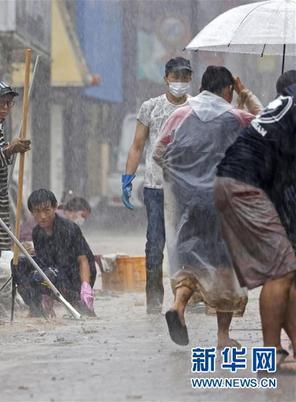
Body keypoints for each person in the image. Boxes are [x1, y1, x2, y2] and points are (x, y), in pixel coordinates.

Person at [153, 65, 261, 348]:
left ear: (201, 87)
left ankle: (177, 306)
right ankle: (223, 337)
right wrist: (245, 94)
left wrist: (187, 179)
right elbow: (265, 125)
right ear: (227, 89)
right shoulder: (236, 117)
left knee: (191, 262)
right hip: (225, 205)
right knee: (224, 268)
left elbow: (158, 153)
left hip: (193, 205)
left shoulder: (180, 114)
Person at [214, 70, 296, 371]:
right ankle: (271, 354)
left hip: (234, 184)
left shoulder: (283, 106)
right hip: (244, 186)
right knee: (282, 272)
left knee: (285, 271)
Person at [122, 57, 193, 314]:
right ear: (165, 78)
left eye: (185, 77)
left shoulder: (196, 108)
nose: (180, 82)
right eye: (175, 77)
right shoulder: (150, 107)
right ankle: (153, 303)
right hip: (155, 186)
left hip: (186, 187)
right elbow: (138, 145)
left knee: (186, 244)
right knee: (155, 244)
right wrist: (128, 178)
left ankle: (185, 301)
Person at [0, 81, 31, 318]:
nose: (5, 108)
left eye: (9, 104)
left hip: (1, 196)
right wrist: (12, 148)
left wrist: (13, 148)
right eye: (0, 103)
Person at [13, 189, 96, 317]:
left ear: (55, 207)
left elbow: (83, 260)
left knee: (49, 274)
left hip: (74, 277)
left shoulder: (69, 228)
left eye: (46, 210)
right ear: (32, 212)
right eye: (37, 211)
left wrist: (85, 287)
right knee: (18, 264)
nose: (43, 216)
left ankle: (78, 302)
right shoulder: (37, 232)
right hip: (52, 273)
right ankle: (36, 309)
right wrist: (46, 297)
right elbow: (42, 263)